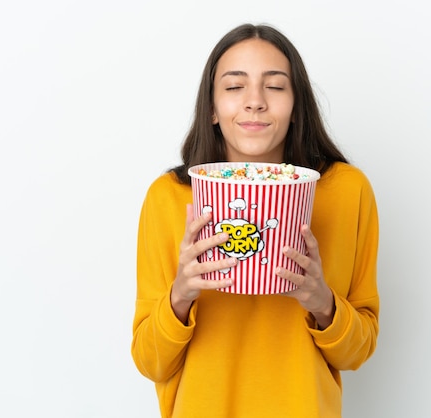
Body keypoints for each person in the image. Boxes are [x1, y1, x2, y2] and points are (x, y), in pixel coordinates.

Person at [131, 23, 380, 418]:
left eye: (276, 86)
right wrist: (180, 295)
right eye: (234, 87)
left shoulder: (346, 191)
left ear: (297, 106)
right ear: (211, 108)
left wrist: (324, 305)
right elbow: (150, 363)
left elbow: (358, 352)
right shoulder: (169, 197)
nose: (255, 102)